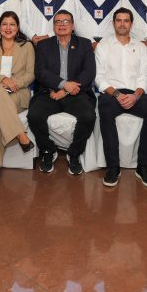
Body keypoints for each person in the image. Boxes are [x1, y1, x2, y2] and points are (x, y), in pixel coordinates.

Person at [95, 8, 147, 188]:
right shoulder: (103, 46)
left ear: (131, 24)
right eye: (119, 20)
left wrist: (135, 95)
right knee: (105, 110)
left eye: (126, 20)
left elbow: (144, 77)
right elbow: (99, 78)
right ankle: (113, 167)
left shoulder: (140, 47)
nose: (122, 24)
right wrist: (117, 94)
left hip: (135, 93)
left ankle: (143, 167)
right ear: (113, 23)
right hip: (112, 93)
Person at [29, 10, 96, 175]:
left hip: (77, 93)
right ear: (53, 26)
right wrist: (64, 84)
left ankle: (74, 153)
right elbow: (40, 72)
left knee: (88, 116)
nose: (62, 25)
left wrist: (64, 91)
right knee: (34, 115)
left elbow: (89, 73)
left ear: (73, 26)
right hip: (49, 92)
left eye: (66, 21)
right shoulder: (43, 45)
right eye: (58, 22)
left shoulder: (85, 44)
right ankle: (48, 150)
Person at [0, 11, 36, 184]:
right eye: (4, 24)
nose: (8, 28)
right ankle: (20, 135)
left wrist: (14, 83)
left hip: (17, 92)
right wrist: (3, 79)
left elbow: (30, 74)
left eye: (12, 24)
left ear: (18, 28)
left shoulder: (27, 46)